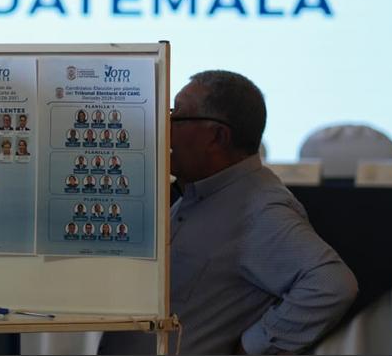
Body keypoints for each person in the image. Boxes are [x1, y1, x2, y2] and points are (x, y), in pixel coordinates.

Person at [102, 70, 357, 356]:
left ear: (217, 136)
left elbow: (332, 284)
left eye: (177, 116)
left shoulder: (258, 208)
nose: (164, 124)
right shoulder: (201, 192)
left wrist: (253, 347)